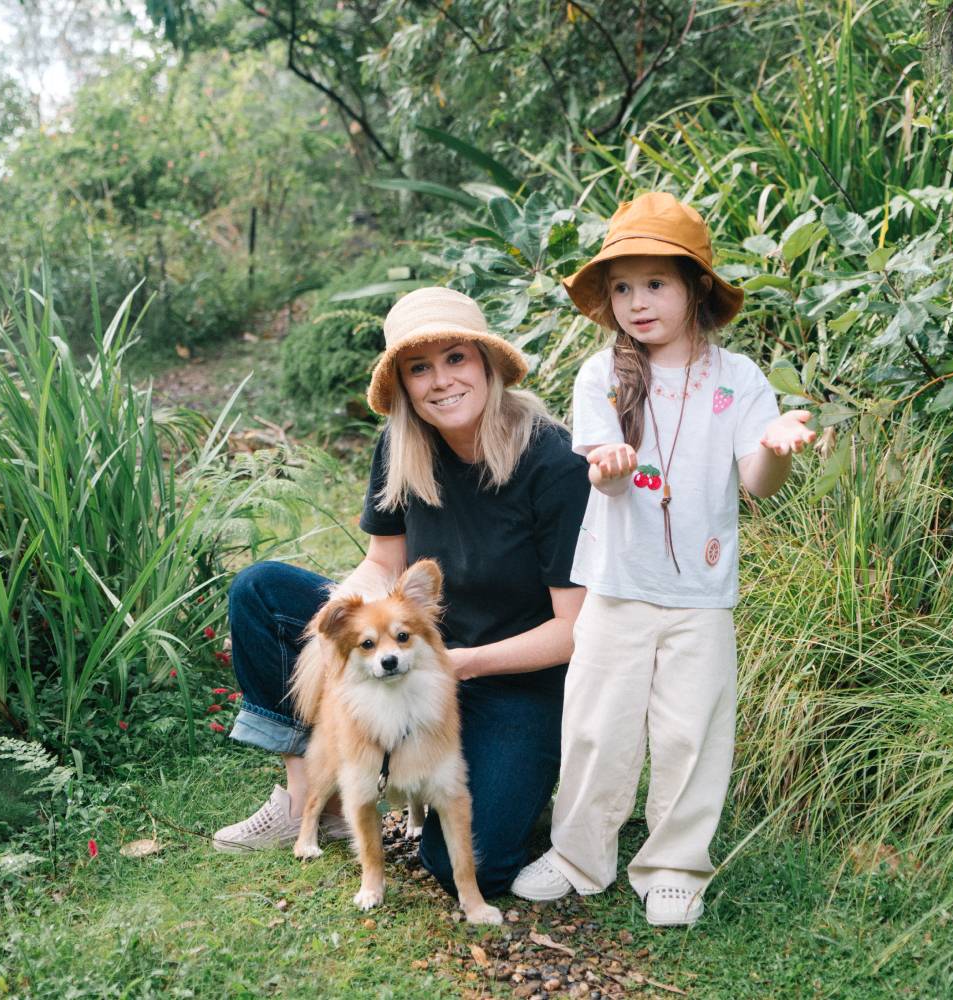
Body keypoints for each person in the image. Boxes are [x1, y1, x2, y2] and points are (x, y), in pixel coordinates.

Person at [213, 286, 590, 898]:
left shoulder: (553, 462)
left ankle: (520, 784)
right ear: (404, 385)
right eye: (420, 368)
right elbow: (382, 562)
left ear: (488, 364)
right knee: (262, 591)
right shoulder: (403, 445)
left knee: (473, 865)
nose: (441, 381)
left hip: (511, 676)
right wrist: (346, 610)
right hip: (412, 648)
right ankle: (314, 801)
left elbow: (573, 630)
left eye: (456, 359)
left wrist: (456, 665)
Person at [510, 192, 816, 925]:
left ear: (694, 288)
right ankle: (580, 853)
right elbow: (603, 476)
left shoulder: (739, 378)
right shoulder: (602, 377)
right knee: (596, 725)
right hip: (617, 585)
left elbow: (756, 483)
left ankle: (675, 864)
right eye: (622, 287)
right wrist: (612, 467)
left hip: (701, 592)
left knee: (692, 731)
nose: (637, 302)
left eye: (655, 284)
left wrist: (777, 451)